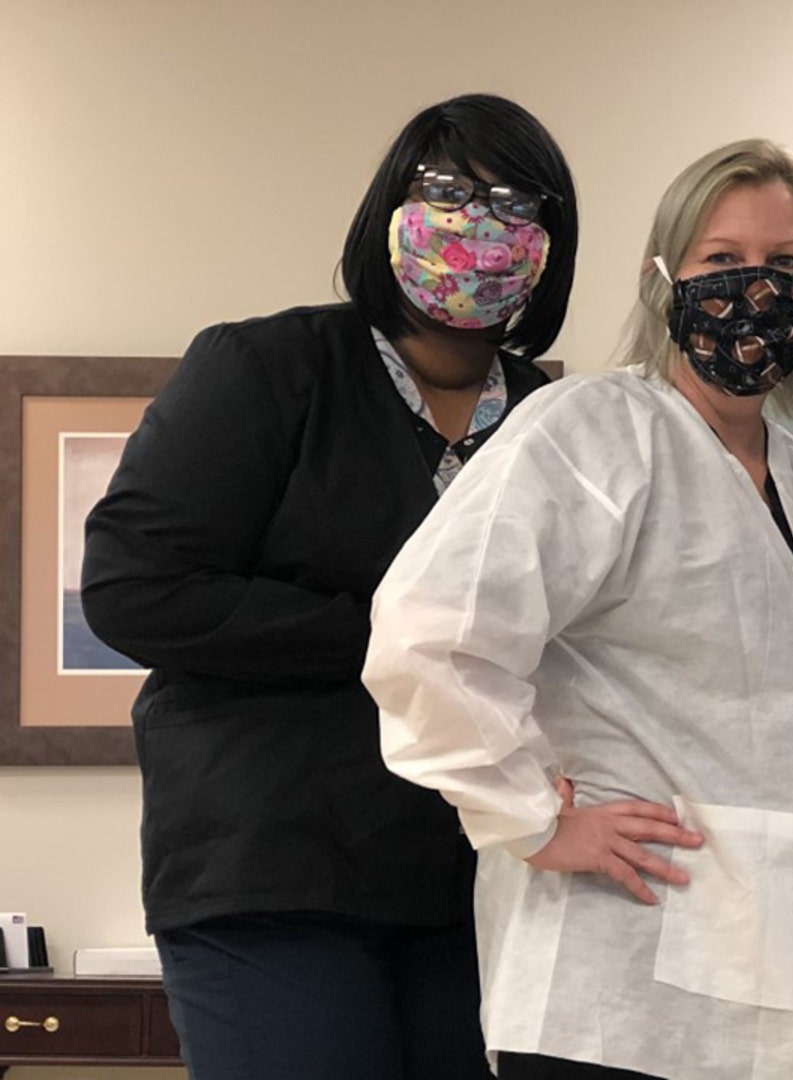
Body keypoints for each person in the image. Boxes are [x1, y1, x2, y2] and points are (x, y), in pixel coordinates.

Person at [362, 138, 793, 1080]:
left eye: (784, 264)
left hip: (788, 978)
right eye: (721, 260)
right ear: (664, 281)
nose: (756, 285)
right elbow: (429, 634)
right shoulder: (594, 429)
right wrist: (533, 820)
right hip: (619, 995)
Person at [79, 93, 577, 1080]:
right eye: (448, 192)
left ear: (552, 246)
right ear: (390, 204)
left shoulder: (556, 417)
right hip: (272, 873)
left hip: (484, 882)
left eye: (518, 207)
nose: (481, 226)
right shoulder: (268, 369)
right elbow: (137, 586)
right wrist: (397, 638)